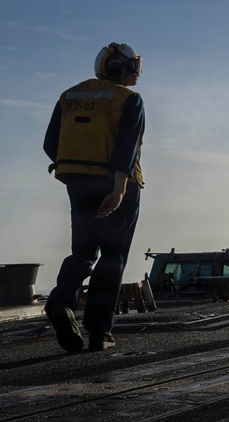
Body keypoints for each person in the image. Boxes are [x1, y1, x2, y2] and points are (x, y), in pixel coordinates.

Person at [43, 43, 145, 352]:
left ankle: (60, 303)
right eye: (134, 65)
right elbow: (126, 149)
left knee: (84, 250)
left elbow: (51, 144)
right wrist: (118, 189)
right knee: (113, 256)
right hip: (118, 185)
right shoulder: (129, 100)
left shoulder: (69, 96)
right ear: (121, 68)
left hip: (77, 182)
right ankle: (100, 333)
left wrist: (77, 171)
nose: (136, 72)